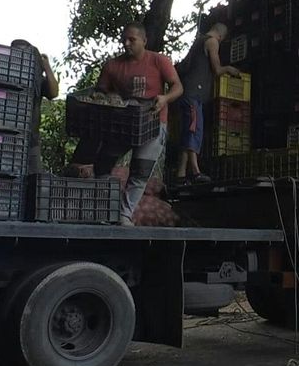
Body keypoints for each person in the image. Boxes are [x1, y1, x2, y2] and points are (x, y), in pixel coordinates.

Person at [94, 22, 184, 226]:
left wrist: (165, 98)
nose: (126, 43)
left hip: (153, 122)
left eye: (132, 40)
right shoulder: (112, 66)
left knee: (140, 171)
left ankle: (124, 215)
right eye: (124, 40)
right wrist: (107, 97)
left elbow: (178, 87)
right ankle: (105, 209)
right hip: (123, 123)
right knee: (102, 165)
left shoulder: (159, 60)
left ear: (144, 41)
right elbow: (100, 92)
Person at [174, 23, 240, 185]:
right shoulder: (212, 42)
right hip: (194, 94)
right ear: (221, 36)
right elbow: (217, 69)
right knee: (194, 131)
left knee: (188, 132)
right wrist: (229, 69)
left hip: (186, 92)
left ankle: (181, 175)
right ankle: (196, 172)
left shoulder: (199, 40)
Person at [10, 39, 59, 174]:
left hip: (31, 140)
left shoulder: (36, 80)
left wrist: (46, 67)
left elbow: (54, 92)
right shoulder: (5, 73)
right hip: (8, 136)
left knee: (34, 178)